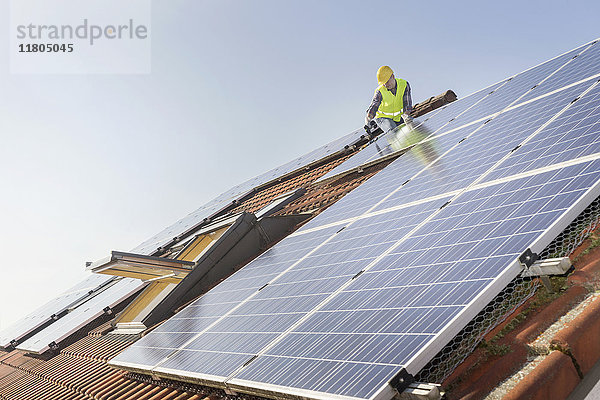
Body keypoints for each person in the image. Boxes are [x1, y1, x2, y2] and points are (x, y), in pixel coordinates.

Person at [365, 65, 413, 132]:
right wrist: (368, 119)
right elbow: (374, 106)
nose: (385, 85)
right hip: (383, 118)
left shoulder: (404, 85)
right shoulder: (380, 91)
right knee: (393, 131)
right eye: (383, 83)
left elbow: (407, 104)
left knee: (410, 130)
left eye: (387, 81)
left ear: (393, 76)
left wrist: (406, 116)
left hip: (398, 117)